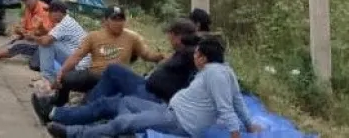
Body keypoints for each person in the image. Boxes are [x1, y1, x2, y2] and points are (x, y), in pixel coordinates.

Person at [45, 38, 263, 138]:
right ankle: (121, 132)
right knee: (125, 102)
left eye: (196, 54)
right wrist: (250, 124)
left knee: (124, 119)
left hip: (180, 121)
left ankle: (73, 133)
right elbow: (238, 101)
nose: (193, 57)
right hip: (170, 110)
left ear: (204, 58)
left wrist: (236, 134)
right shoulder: (224, 70)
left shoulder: (215, 75)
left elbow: (227, 106)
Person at [37, 18, 201, 126]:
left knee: (107, 102)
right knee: (114, 69)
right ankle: (77, 110)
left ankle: (62, 114)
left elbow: (147, 54)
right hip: (147, 86)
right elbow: (77, 55)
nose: (169, 39)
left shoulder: (191, 54)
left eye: (171, 36)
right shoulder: (183, 53)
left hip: (155, 97)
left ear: (178, 37)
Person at [41, 6, 164, 109]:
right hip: (95, 75)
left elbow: (147, 54)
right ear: (105, 21)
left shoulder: (133, 37)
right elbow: (76, 57)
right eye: (114, 19)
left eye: (121, 19)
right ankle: (58, 101)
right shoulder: (93, 36)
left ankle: (78, 110)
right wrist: (61, 73)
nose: (118, 22)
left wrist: (161, 56)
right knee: (67, 78)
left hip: (116, 80)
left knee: (88, 106)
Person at [34, 1, 91, 86]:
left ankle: (48, 79)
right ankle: (48, 77)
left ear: (59, 12)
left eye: (50, 12)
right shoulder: (67, 21)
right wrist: (40, 30)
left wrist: (32, 38)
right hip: (77, 60)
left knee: (47, 44)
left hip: (79, 65)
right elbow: (49, 34)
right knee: (48, 42)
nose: (48, 15)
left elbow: (46, 41)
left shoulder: (65, 24)